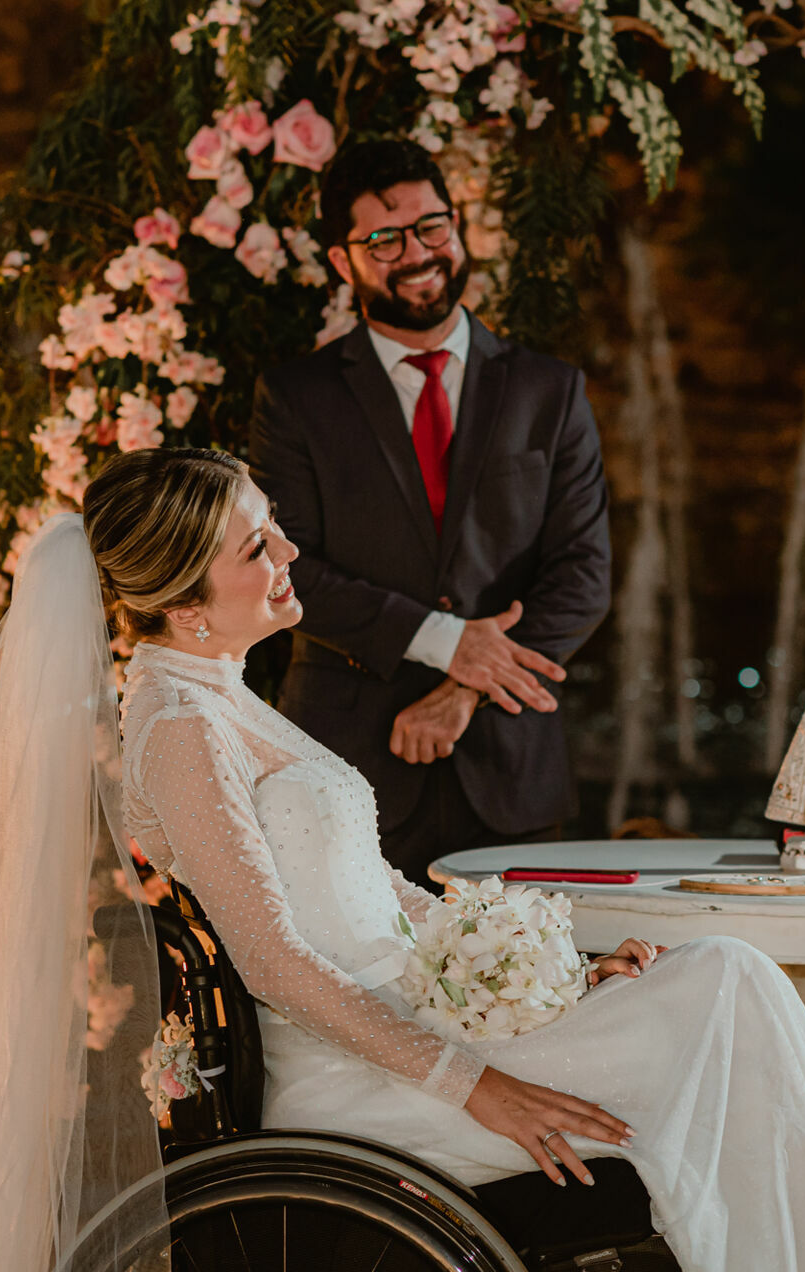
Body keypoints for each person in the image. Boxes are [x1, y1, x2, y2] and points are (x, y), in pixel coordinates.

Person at [0, 446, 805, 1272]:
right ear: (185, 606)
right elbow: (274, 962)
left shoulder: (221, 696)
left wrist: (564, 979)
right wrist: (479, 1085)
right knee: (730, 989)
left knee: (718, 982)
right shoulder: (178, 728)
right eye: (257, 545)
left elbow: (378, 900)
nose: (289, 551)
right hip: (359, 1083)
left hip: (413, 1028)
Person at [249, 140, 611, 887]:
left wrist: (465, 689)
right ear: (343, 261)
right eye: (384, 238)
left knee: (529, 997)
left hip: (512, 776)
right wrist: (446, 641)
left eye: (431, 228)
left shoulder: (551, 390)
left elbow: (584, 575)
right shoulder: (295, 399)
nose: (417, 253)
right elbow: (291, 569)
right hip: (346, 772)